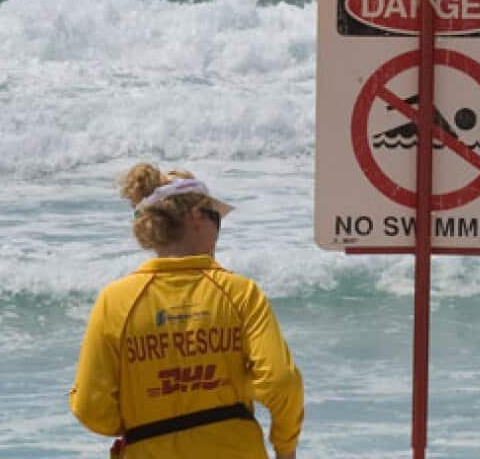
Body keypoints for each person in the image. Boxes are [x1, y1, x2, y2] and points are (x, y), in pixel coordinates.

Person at [70, 164, 304, 459]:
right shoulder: (240, 293)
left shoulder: (115, 301)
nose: (219, 227)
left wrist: (144, 424)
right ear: (195, 217)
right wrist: (286, 448)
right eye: (215, 217)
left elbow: (90, 407)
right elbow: (281, 381)